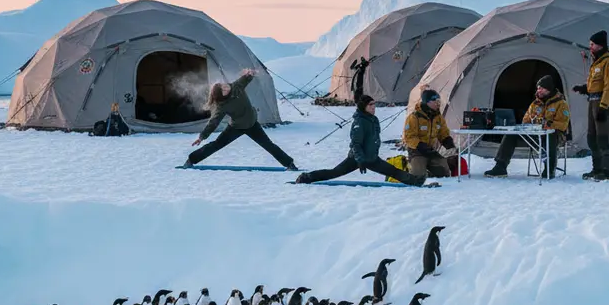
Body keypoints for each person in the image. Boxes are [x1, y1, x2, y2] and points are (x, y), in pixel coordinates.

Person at [296, 95, 425, 186]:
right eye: (371, 105)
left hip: (372, 158)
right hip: (357, 159)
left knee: (392, 170)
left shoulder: (373, 119)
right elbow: (355, 144)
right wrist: (360, 160)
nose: (374, 107)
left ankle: (414, 181)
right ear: (364, 107)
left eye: (374, 104)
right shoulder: (360, 122)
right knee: (334, 172)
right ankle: (307, 177)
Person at [183, 69, 297, 170]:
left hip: (252, 125)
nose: (225, 86)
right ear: (221, 95)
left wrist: (251, 73)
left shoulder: (236, 87)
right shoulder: (221, 106)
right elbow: (214, 122)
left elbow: (246, 78)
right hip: (236, 128)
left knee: (268, 145)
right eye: (223, 88)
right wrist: (202, 137)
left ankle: (289, 164)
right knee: (216, 145)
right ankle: (191, 160)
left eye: (224, 85)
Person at [484, 76, 570, 179]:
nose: (539, 91)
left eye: (541, 88)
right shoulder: (535, 104)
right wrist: (531, 125)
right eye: (538, 88)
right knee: (512, 134)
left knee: (550, 135)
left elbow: (563, 124)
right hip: (536, 134)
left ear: (549, 89)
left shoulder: (561, 104)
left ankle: (549, 169)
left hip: (555, 137)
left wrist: (550, 125)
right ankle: (500, 167)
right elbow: (525, 120)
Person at [572, 30, 609, 181]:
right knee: (592, 137)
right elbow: (596, 85)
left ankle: (608, 171)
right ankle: (597, 168)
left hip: (602, 102)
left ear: (600, 45)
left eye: (592, 44)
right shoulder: (597, 63)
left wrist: (604, 106)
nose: (590, 47)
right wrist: (584, 89)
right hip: (593, 101)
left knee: (604, 136)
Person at [403, 89, 456, 179]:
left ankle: (428, 170)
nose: (437, 103)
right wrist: (420, 145)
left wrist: (448, 142)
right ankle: (409, 166)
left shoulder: (438, 117)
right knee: (418, 176)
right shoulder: (414, 117)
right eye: (435, 101)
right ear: (427, 102)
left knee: (444, 172)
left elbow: (443, 133)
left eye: (438, 101)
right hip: (417, 151)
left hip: (431, 151)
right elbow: (409, 137)